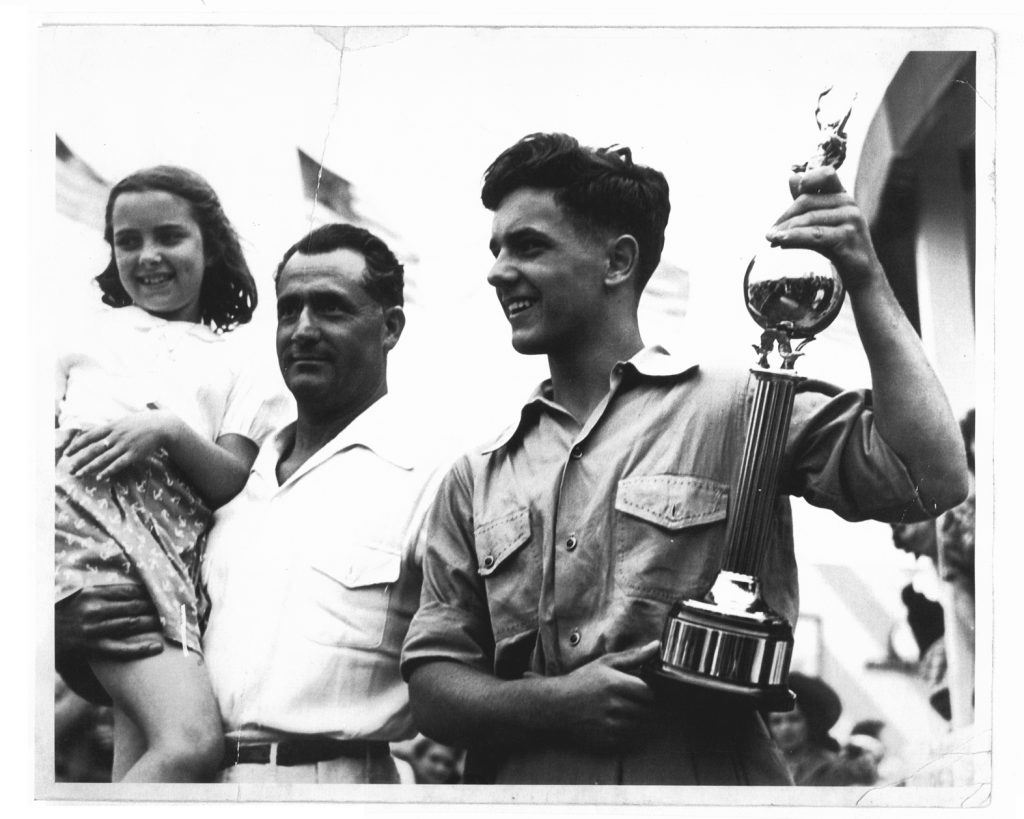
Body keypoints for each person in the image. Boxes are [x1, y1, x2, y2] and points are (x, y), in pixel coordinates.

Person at [400, 132, 969, 785]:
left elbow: (932, 476)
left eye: (529, 246)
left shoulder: (740, 402)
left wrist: (864, 275)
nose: (500, 270)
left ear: (617, 262)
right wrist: (551, 704)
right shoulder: (476, 475)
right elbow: (433, 685)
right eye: (496, 249)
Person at [56, 222, 443, 785]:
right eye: (290, 310)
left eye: (331, 309)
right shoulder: (223, 491)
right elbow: (145, 659)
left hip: (328, 787)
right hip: (195, 786)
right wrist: (64, 636)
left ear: (390, 328)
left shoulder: (429, 479)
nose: (303, 330)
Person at [55, 166, 284, 782]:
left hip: (172, 552)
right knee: (190, 743)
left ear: (211, 245)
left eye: (169, 237)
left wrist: (168, 431)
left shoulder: (242, 356)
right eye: (127, 241)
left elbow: (229, 476)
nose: (147, 256)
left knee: (147, 752)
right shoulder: (83, 334)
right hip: (94, 539)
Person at [766, 673, 878, 786]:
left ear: (810, 721)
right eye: (776, 721)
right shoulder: (765, 766)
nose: (785, 728)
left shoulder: (833, 768)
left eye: (794, 719)